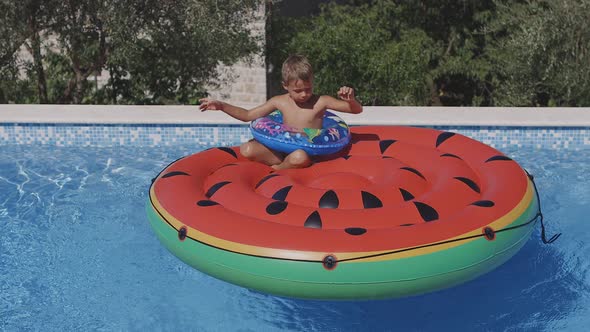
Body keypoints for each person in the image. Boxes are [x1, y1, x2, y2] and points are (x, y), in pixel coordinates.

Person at [199, 55, 363, 170]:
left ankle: (278, 170)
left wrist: (350, 99)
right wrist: (221, 105)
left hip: (307, 153)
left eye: (308, 89)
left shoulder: (321, 102)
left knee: (299, 157)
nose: (304, 94)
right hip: (280, 151)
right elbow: (247, 116)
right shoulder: (279, 101)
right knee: (247, 149)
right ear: (285, 86)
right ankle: (282, 163)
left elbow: (355, 110)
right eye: (298, 91)